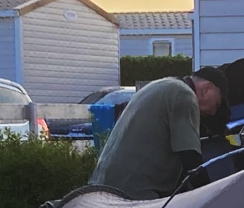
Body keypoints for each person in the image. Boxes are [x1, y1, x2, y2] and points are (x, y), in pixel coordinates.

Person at [87, 67, 228, 200]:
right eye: (216, 105)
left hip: (101, 186)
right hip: (134, 193)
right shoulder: (184, 96)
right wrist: (212, 196)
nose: (213, 112)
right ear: (206, 89)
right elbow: (191, 160)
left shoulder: (160, 85)